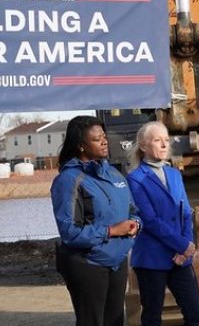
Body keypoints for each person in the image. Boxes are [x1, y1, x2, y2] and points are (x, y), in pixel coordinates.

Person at [51, 115, 141, 326]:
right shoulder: (68, 180)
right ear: (82, 146)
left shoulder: (115, 174)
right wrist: (111, 231)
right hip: (87, 264)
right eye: (96, 138)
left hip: (117, 262)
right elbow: (70, 232)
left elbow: (132, 210)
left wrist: (136, 224)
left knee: (116, 321)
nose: (104, 141)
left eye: (104, 136)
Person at [126, 121, 199, 326]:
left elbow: (186, 212)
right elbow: (150, 220)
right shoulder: (135, 179)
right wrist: (182, 245)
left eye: (166, 140)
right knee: (152, 317)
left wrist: (186, 246)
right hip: (152, 258)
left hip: (181, 258)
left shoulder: (174, 174)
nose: (163, 145)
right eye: (157, 140)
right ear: (143, 146)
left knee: (195, 314)